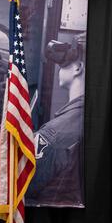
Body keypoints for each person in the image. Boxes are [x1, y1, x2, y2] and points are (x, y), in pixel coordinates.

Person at [25, 32, 86, 208]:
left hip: (51, 209)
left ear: (78, 68)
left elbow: (26, 181)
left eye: (63, 63)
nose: (59, 68)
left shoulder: (62, 127)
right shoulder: (83, 114)